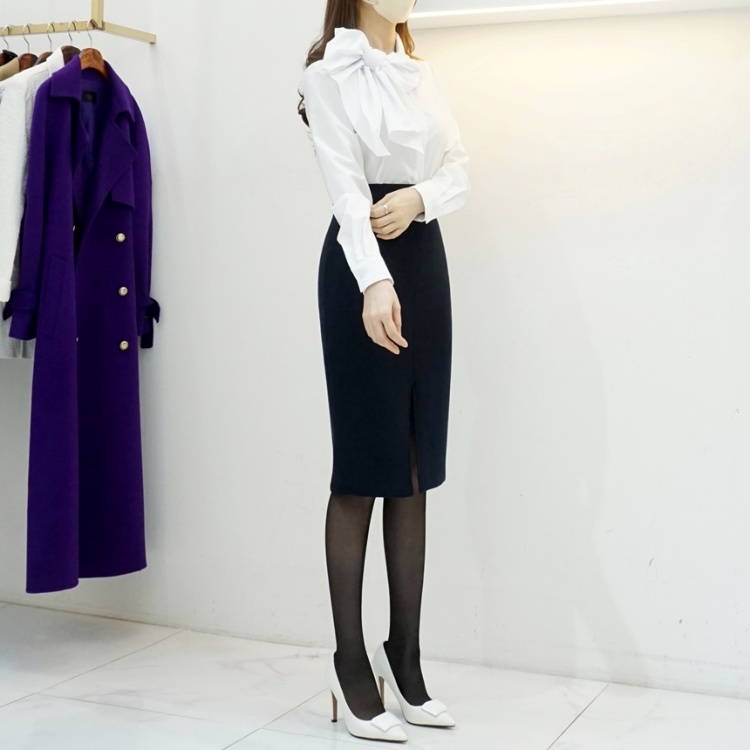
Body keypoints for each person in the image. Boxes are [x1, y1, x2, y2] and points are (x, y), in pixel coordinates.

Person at [298, 0, 470, 741]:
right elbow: (345, 190)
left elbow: (460, 168)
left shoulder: (420, 73)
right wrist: (373, 281)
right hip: (359, 261)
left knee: (413, 464)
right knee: (364, 466)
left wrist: (420, 197)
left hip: (425, 260)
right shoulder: (328, 72)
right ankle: (348, 663)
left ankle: (405, 656)